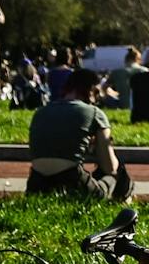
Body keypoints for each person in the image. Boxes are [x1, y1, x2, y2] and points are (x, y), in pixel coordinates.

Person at [26, 68, 132, 201]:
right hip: (72, 181)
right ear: (91, 90)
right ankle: (123, 207)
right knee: (118, 172)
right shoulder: (94, 113)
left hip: (36, 182)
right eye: (97, 93)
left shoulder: (40, 112)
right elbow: (110, 167)